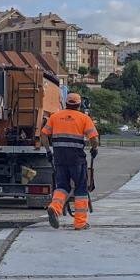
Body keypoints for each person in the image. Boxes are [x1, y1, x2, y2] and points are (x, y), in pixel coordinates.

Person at [40, 93, 99, 230]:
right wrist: (94, 149)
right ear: (79, 105)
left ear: (66, 103)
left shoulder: (55, 117)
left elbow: (43, 134)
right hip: (77, 160)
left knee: (62, 186)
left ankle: (54, 208)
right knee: (80, 189)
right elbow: (94, 139)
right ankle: (80, 223)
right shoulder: (84, 118)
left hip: (60, 158)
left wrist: (49, 151)